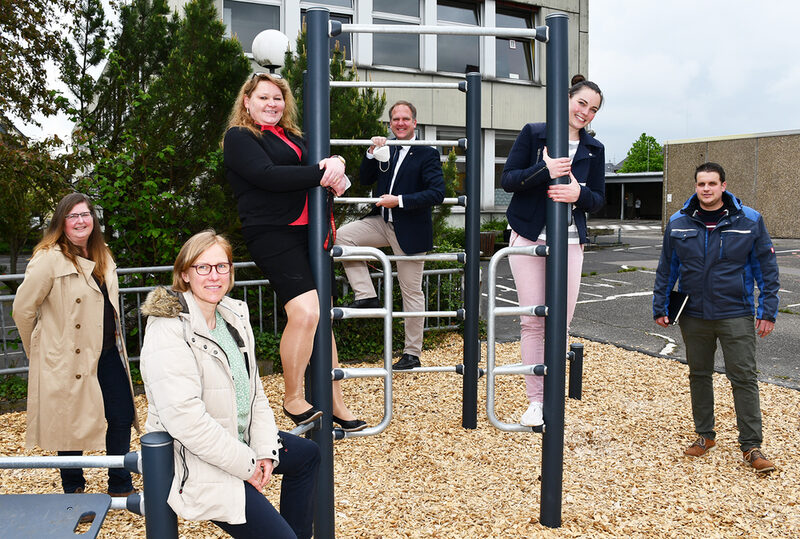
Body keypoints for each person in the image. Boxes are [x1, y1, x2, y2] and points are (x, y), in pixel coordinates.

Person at [140, 230, 320, 538]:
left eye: (222, 266)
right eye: (203, 267)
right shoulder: (168, 329)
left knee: (306, 456)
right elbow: (186, 420)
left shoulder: (231, 315)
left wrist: (264, 450)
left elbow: (254, 394)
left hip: (239, 441)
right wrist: (248, 465)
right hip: (197, 457)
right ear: (185, 274)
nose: (214, 275)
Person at [223, 72, 365, 431]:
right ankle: (293, 397)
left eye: (278, 98)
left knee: (324, 317)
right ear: (247, 101)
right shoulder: (240, 137)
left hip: (309, 232)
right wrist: (320, 171)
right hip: (272, 233)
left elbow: (319, 168)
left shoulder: (293, 136)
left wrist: (337, 166)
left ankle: (335, 404)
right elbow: (267, 175)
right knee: (303, 312)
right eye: (263, 98)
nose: (272, 104)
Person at [652, 162, 779, 473]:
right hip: (694, 316)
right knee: (699, 375)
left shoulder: (749, 221)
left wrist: (768, 311)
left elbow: (766, 269)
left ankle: (751, 446)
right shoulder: (679, 223)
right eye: (700, 184)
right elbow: (667, 269)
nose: (706, 189)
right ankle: (705, 436)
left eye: (712, 183)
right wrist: (661, 307)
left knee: (744, 379)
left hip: (735, 313)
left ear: (723, 186)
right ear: (695, 187)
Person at [12, 192, 139, 496]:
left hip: (107, 352)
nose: (81, 221)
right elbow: (22, 309)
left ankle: (119, 483)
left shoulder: (102, 254)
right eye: (73, 216)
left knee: (121, 416)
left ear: (93, 220)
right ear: (62, 222)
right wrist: (44, 352)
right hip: (68, 358)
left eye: (86, 214)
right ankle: (73, 488)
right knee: (67, 425)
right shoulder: (48, 259)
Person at [501, 77, 605, 427]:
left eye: (592, 110)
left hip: (571, 240)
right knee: (532, 320)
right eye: (582, 104)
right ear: (568, 99)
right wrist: (544, 170)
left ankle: (553, 395)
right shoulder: (534, 133)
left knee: (560, 321)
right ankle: (535, 401)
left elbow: (599, 200)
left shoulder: (595, 149)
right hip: (529, 236)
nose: (585, 113)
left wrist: (578, 194)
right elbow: (509, 180)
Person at [335, 100, 445, 370]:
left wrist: (401, 201)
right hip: (381, 221)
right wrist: (372, 152)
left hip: (410, 228)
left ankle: (412, 353)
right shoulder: (387, 149)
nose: (400, 123)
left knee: (411, 291)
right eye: (395, 119)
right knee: (341, 238)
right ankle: (366, 295)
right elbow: (365, 177)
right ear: (390, 123)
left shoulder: (426, 152)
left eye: (405, 119)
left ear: (414, 123)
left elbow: (437, 193)